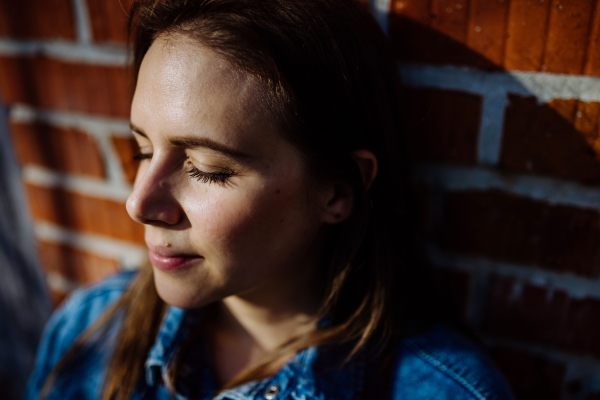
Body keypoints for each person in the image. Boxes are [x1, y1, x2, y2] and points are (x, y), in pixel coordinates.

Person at [23, 0, 514, 399]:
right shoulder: (89, 331)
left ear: (338, 190)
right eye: (143, 150)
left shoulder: (446, 392)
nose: (140, 203)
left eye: (207, 169)